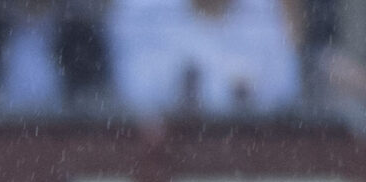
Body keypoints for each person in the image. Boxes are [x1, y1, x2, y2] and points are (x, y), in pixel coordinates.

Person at [110, 0, 300, 114]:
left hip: (247, 150)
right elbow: (134, 89)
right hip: (163, 150)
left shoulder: (265, 7)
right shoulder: (142, 7)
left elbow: (284, 88)